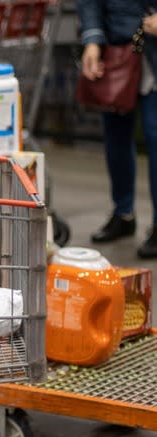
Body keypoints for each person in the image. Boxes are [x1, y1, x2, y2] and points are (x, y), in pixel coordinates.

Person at [79, 1, 157, 258]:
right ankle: (123, 214)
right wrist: (92, 40)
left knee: (155, 135)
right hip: (118, 50)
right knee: (116, 138)